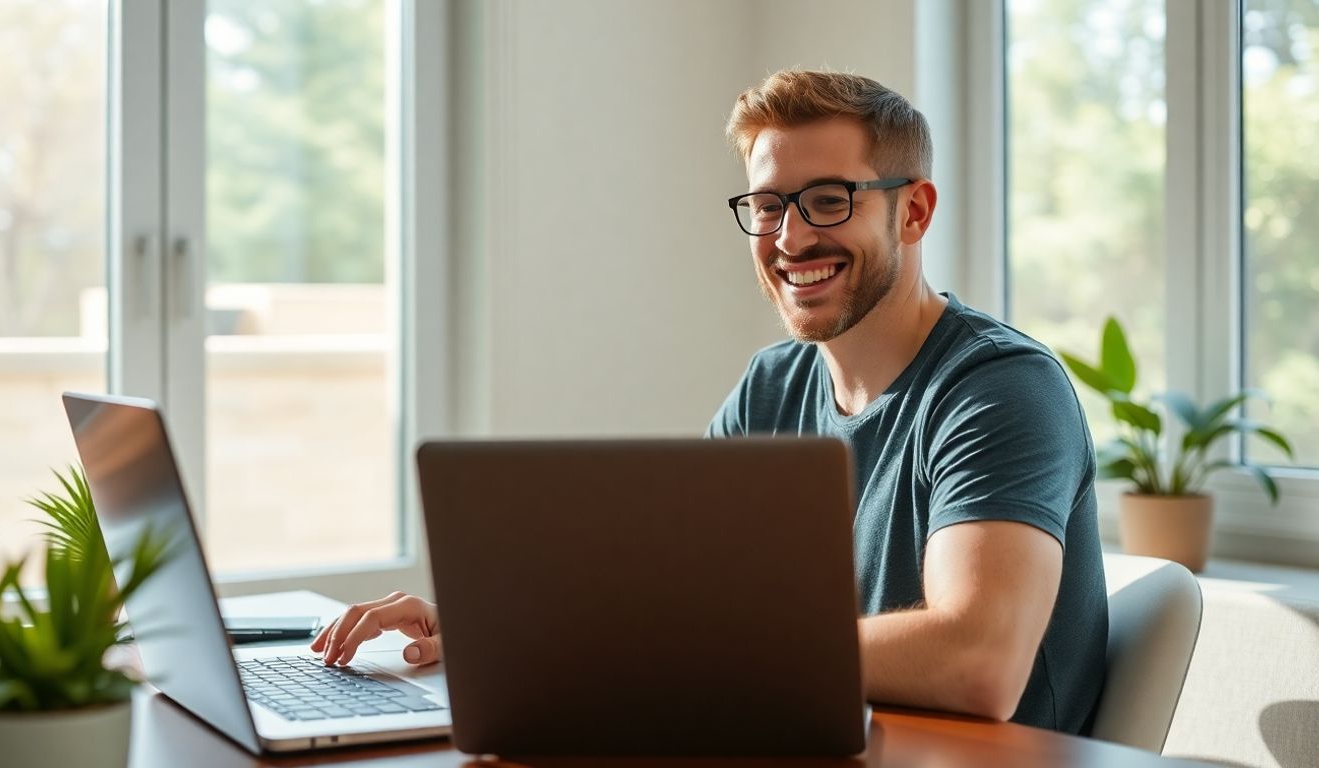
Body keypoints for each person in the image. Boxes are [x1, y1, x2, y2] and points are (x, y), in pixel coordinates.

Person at [313, 70, 1107, 735]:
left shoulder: (999, 389)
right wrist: (495, 630)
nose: (790, 239)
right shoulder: (772, 388)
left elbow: (977, 663)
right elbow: (668, 594)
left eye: (828, 199)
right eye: (768, 205)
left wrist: (706, 647)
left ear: (915, 210)